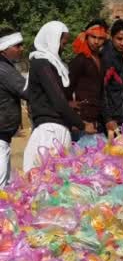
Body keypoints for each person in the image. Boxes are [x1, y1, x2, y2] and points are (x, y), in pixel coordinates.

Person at [23, 21, 95, 171]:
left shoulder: (51, 64)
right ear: (52, 39)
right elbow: (58, 101)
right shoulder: (42, 63)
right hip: (49, 134)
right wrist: (82, 124)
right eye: (62, 42)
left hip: (56, 131)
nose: (63, 47)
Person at [69, 19, 109, 140]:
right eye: (93, 37)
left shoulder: (102, 60)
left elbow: (101, 91)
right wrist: (72, 110)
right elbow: (67, 87)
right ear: (86, 36)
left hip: (97, 119)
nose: (96, 42)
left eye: (101, 38)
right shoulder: (80, 60)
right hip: (82, 121)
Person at [0, 28, 27, 186]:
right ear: (4, 48)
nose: (21, 48)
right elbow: (27, 91)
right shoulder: (4, 69)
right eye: (17, 45)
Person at [101, 19, 123, 135]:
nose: (122, 43)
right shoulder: (108, 57)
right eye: (119, 39)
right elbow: (102, 90)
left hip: (121, 119)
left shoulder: (118, 56)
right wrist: (108, 118)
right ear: (111, 37)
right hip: (112, 121)